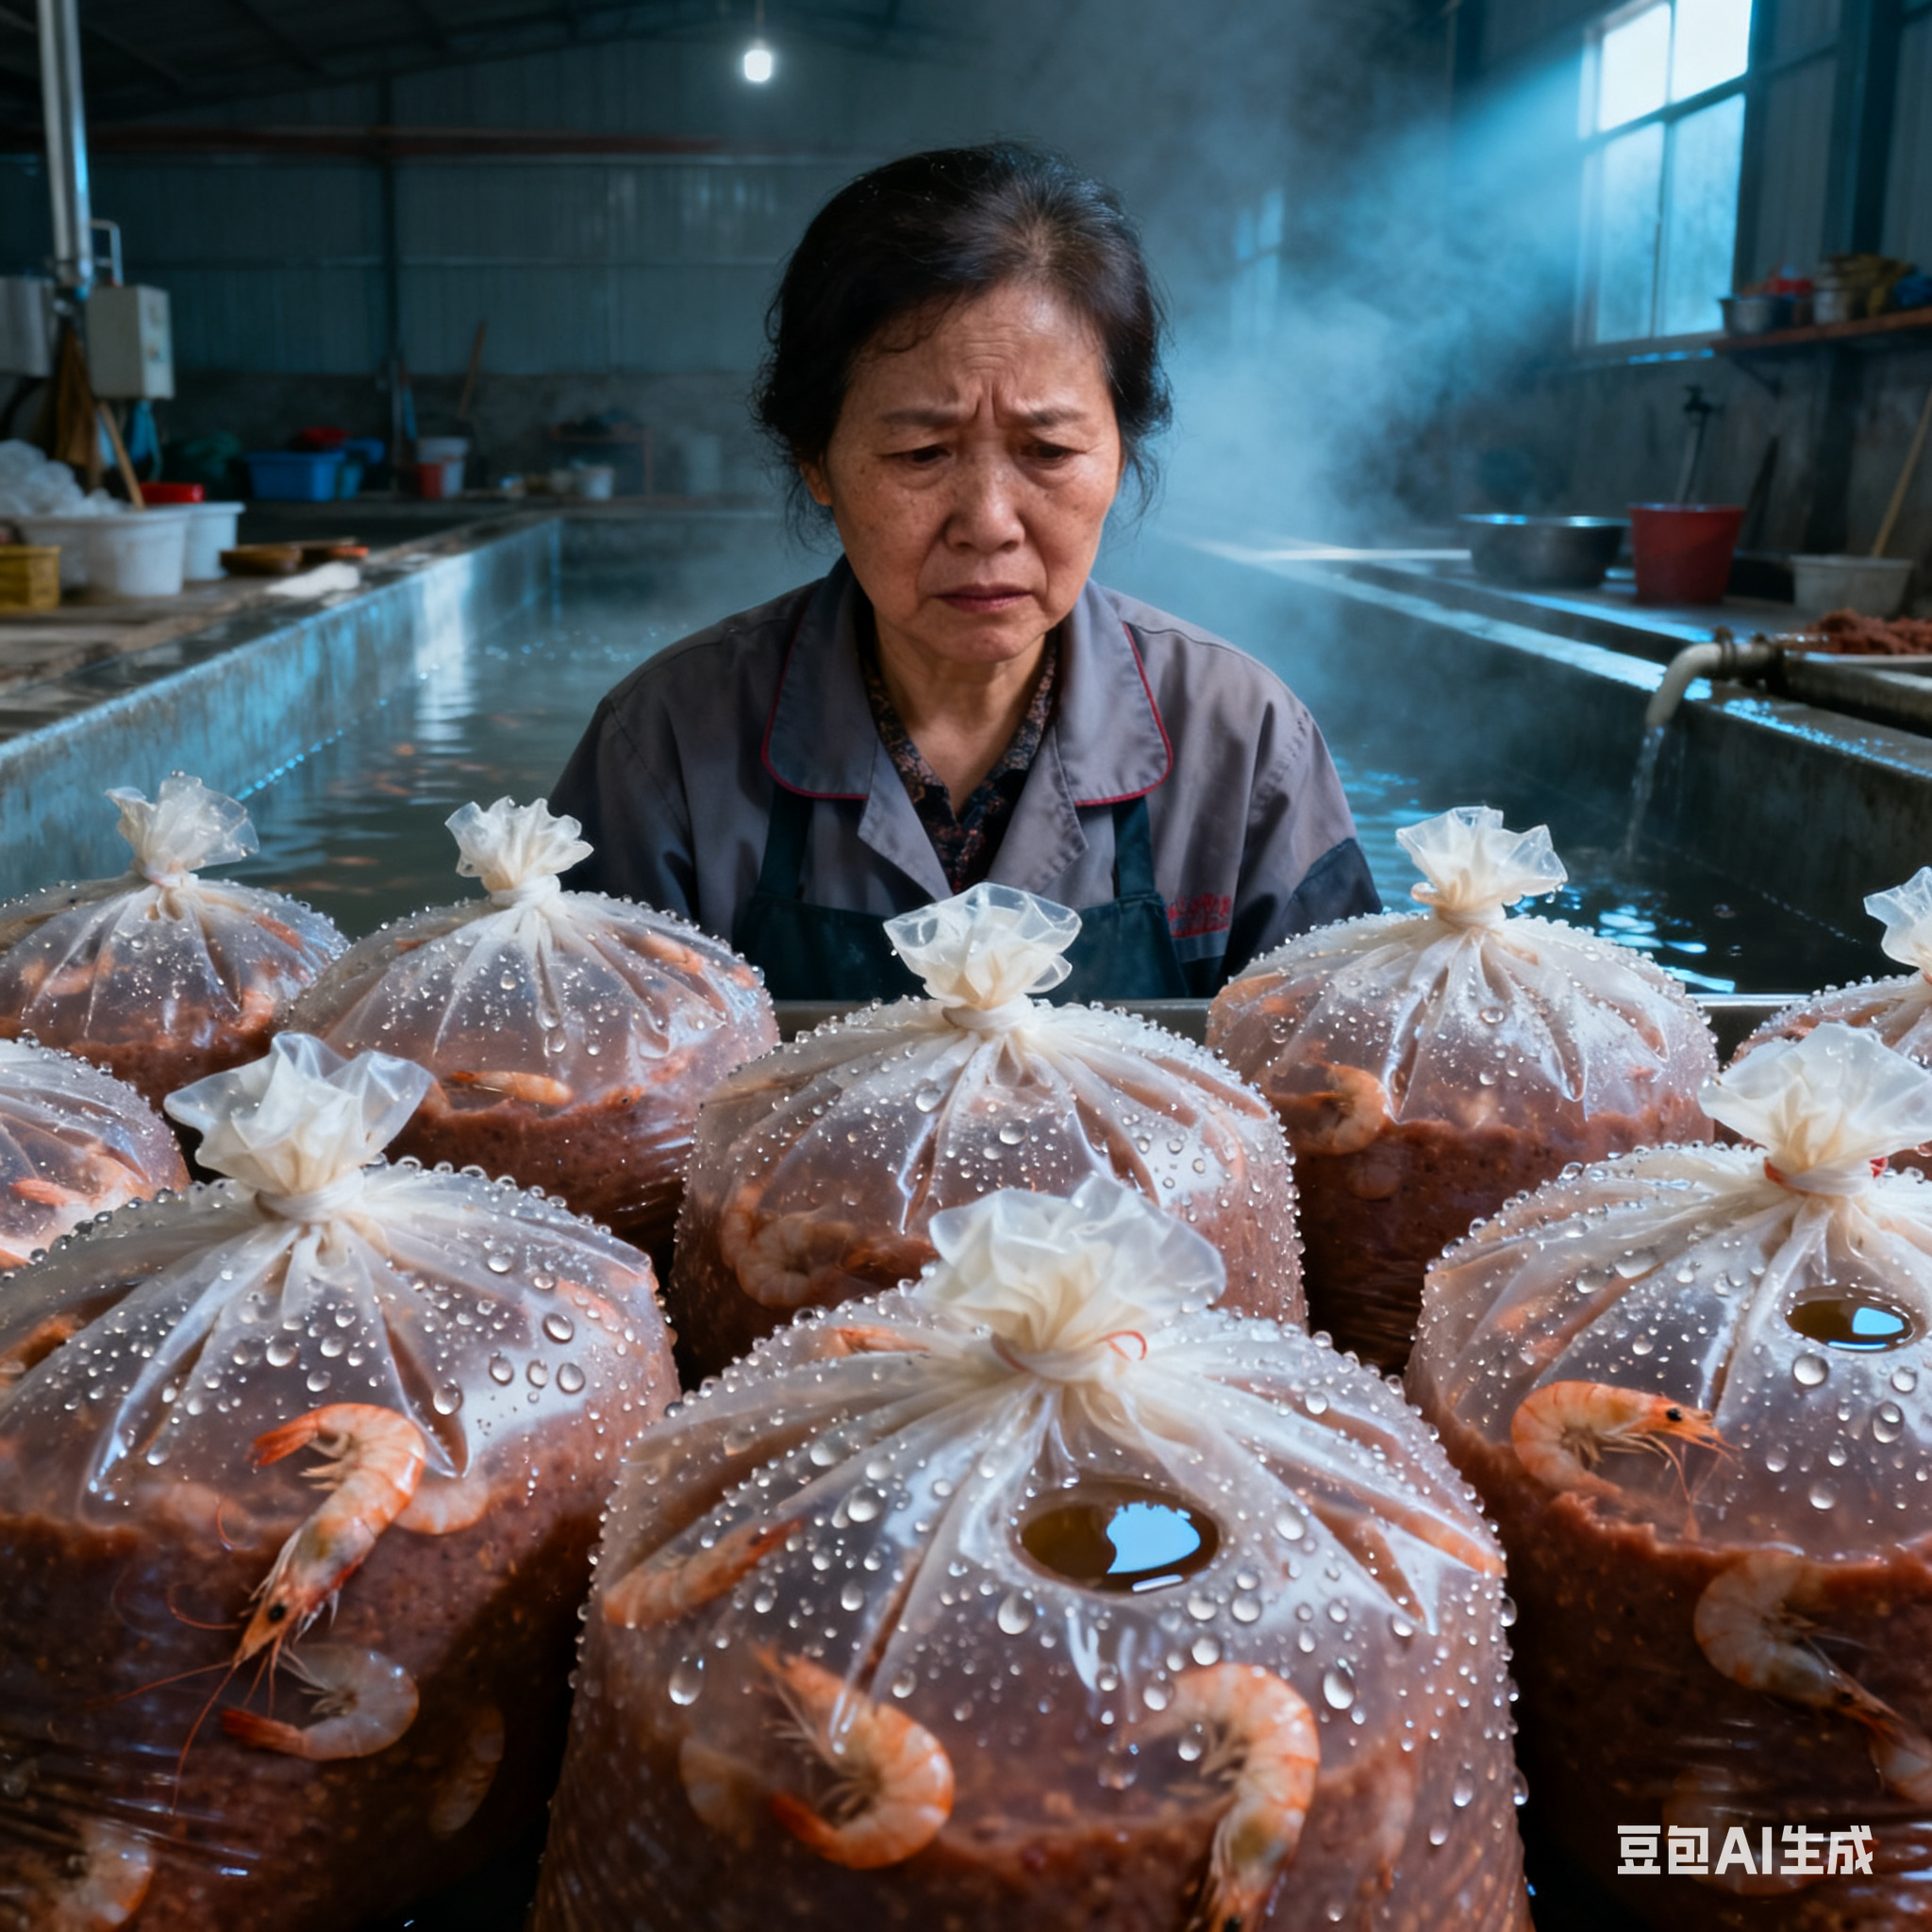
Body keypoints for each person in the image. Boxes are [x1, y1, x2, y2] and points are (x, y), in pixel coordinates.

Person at [551, 142, 1378, 999]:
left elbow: (1342, 1092)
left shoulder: (1244, 746)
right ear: (815, 459)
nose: (988, 523)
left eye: (1048, 450)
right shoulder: (665, 749)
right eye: (922, 452)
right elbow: (572, 1096)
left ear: (1122, 454)